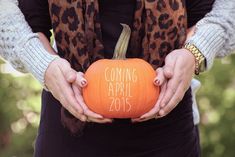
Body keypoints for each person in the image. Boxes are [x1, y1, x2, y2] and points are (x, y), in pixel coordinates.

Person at [0, 0, 234, 156]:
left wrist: (194, 52)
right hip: (70, 128)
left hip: (167, 133)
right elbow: (20, 18)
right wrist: (44, 64)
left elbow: (215, 11)